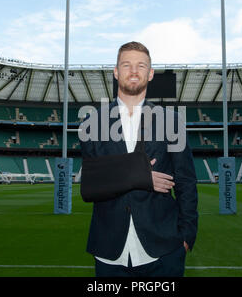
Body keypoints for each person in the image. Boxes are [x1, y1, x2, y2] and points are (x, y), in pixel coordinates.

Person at [79, 41, 198, 277]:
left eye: (141, 66)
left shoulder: (171, 121)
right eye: (127, 65)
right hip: (110, 250)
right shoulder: (91, 124)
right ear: (116, 71)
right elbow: (91, 186)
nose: (134, 71)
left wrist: (186, 236)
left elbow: (186, 182)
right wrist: (140, 176)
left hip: (165, 248)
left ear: (150, 73)